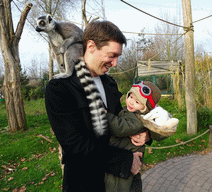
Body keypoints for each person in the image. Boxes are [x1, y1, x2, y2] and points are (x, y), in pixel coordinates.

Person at [45, 20, 148, 192]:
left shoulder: (109, 83)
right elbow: (75, 145)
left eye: (117, 57)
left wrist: (144, 134)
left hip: (118, 182)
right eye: (111, 55)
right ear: (91, 47)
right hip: (85, 182)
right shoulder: (60, 88)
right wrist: (125, 161)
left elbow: (120, 122)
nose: (115, 63)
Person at [105, 80, 167, 192]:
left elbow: (120, 127)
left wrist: (106, 116)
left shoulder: (137, 120)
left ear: (144, 108)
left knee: (121, 186)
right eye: (131, 96)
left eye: (138, 102)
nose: (131, 102)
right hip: (121, 158)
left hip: (127, 161)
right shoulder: (129, 111)